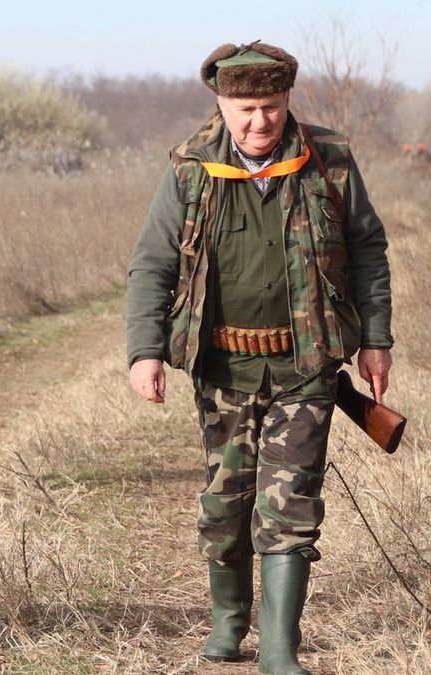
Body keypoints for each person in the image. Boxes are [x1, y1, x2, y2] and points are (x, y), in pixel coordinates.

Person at [125, 41, 393, 674]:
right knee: (225, 505)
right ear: (221, 103)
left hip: (307, 366)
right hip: (222, 369)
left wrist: (376, 339)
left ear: (286, 100)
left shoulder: (328, 161)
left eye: (270, 106)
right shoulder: (191, 169)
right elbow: (153, 264)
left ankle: (279, 649)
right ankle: (229, 621)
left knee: (290, 503)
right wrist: (145, 351)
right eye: (245, 108)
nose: (259, 121)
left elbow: (368, 252)